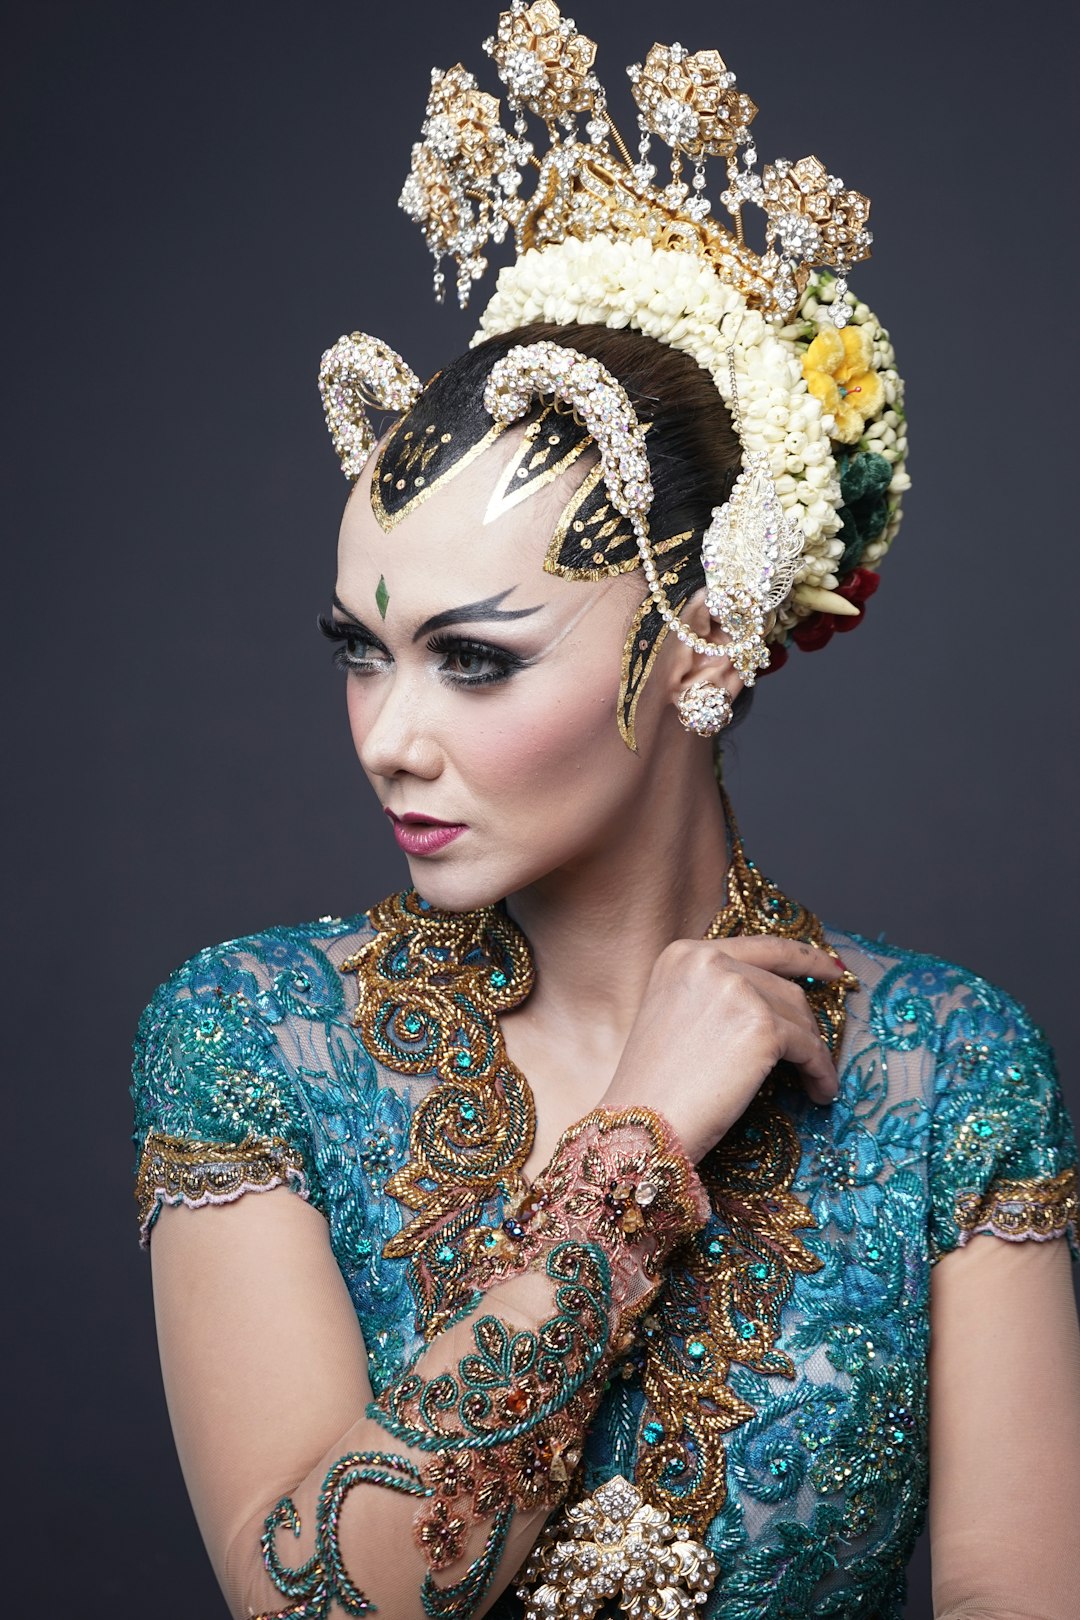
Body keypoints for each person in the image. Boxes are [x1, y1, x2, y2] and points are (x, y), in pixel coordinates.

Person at [131, 7, 1080, 1618]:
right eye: (364, 654)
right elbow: (308, 1603)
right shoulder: (248, 1039)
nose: (388, 738)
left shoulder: (946, 1072)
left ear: (704, 632)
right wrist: (637, 1151)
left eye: (476, 662)